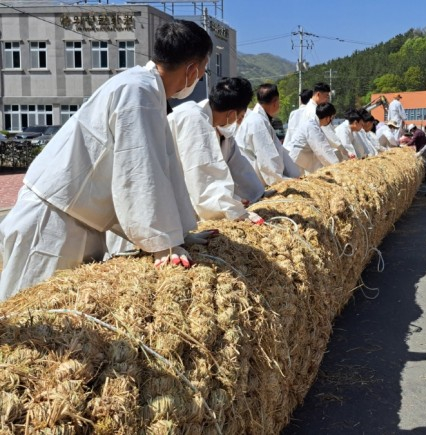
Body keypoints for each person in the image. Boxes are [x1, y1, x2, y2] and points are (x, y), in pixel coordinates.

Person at [0, 20, 214, 301]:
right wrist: (163, 243)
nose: (199, 79)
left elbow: (158, 170)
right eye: (202, 72)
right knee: (31, 320)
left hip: (76, 219)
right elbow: (138, 170)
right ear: (192, 69)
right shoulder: (138, 91)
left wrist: (177, 235)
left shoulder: (143, 87)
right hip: (54, 222)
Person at [167, 77, 264, 224]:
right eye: (239, 117)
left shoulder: (221, 129)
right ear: (232, 114)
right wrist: (233, 210)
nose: (237, 121)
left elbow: (240, 167)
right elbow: (204, 177)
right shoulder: (193, 119)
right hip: (170, 200)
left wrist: (257, 194)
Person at [235, 83, 300, 186]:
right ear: (275, 102)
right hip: (252, 179)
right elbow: (267, 156)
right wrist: (281, 180)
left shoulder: (257, 119)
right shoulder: (257, 121)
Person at [287, 102, 340, 175]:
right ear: (327, 118)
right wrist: (337, 166)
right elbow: (323, 149)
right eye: (332, 118)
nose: (332, 121)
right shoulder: (312, 127)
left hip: (299, 160)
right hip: (296, 161)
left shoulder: (313, 124)